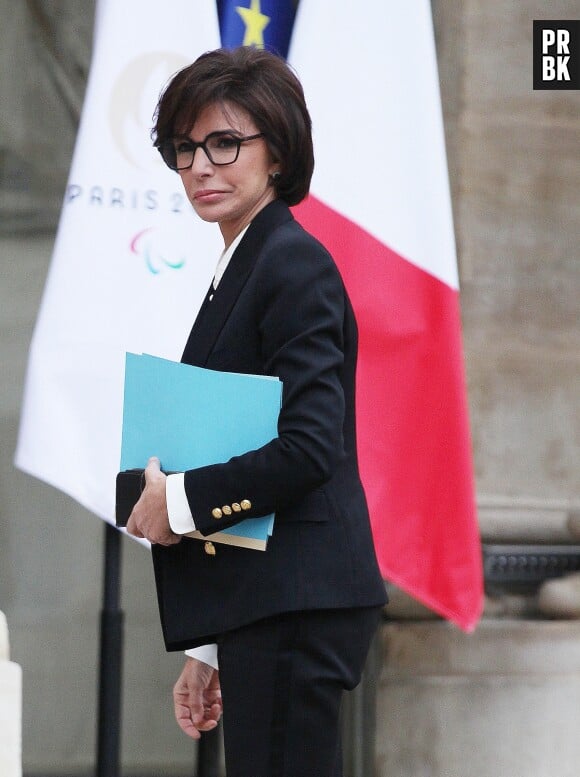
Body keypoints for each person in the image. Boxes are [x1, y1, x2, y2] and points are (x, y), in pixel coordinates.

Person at [126, 46, 387, 777]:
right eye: (185, 147)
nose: (200, 166)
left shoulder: (290, 262)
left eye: (224, 142)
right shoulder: (244, 262)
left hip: (298, 605)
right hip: (270, 604)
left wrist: (175, 502)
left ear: (277, 153)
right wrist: (209, 648)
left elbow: (307, 449)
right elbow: (244, 440)